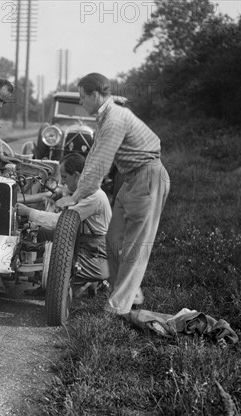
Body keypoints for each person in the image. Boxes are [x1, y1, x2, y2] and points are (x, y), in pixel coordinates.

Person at [55, 73, 170, 317]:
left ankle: (117, 308)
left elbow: (99, 165)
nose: (81, 102)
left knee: (134, 246)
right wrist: (74, 190)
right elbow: (92, 159)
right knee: (113, 240)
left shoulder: (115, 118)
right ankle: (129, 294)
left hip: (148, 176)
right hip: (130, 178)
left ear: (95, 95)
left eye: (82, 97)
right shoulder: (105, 117)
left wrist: (76, 197)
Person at [16, 153, 112, 289]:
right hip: (79, 238)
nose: (63, 182)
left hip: (94, 250)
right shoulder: (82, 188)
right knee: (43, 233)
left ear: (77, 176)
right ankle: (43, 271)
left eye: (65, 177)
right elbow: (55, 193)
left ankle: (89, 281)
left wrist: (29, 212)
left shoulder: (95, 198)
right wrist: (20, 200)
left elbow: (61, 221)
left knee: (56, 271)